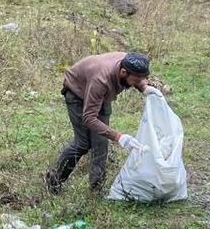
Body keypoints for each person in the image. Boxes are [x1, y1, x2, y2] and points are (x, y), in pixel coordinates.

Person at [45, 52, 157, 194]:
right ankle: (53, 182)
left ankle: (96, 190)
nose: (138, 82)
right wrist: (119, 137)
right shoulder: (101, 80)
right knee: (83, 143)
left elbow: (138, 78)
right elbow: (89, 118)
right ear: (123, 72)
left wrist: (145, 88)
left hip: (101, 95)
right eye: (135, 80)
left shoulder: (129, 62)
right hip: (77, 93)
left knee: (101, 143)